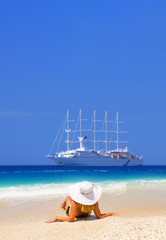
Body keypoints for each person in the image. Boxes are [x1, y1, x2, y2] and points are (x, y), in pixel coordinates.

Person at [46, 181, 118, 223]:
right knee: (70, 199)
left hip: (74, 214)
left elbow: (71, 219)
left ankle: (62, 206)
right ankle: (62, 206)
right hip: (86, 214)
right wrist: (110, 213)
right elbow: (99, 216)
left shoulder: (75, 203)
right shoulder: (94, 202)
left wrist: (57, 218)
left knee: (68, 197)